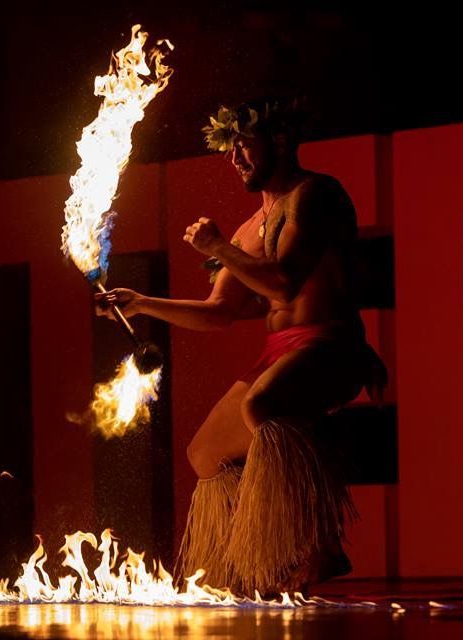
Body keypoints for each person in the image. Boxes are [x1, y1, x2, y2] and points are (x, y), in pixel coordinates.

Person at [95, 97, 387, 596]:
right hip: (282, 351)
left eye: (243, 145)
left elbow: (284, 284)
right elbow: (219, 312)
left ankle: (319, 544)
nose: (235, 159)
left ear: (278, 141)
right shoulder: (250, 228)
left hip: (331, 345)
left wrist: (216, 249)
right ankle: (247, 567)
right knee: (204, 453)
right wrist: (142, 302)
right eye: (229, 150)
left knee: (262, 404)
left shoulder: (314, 195)